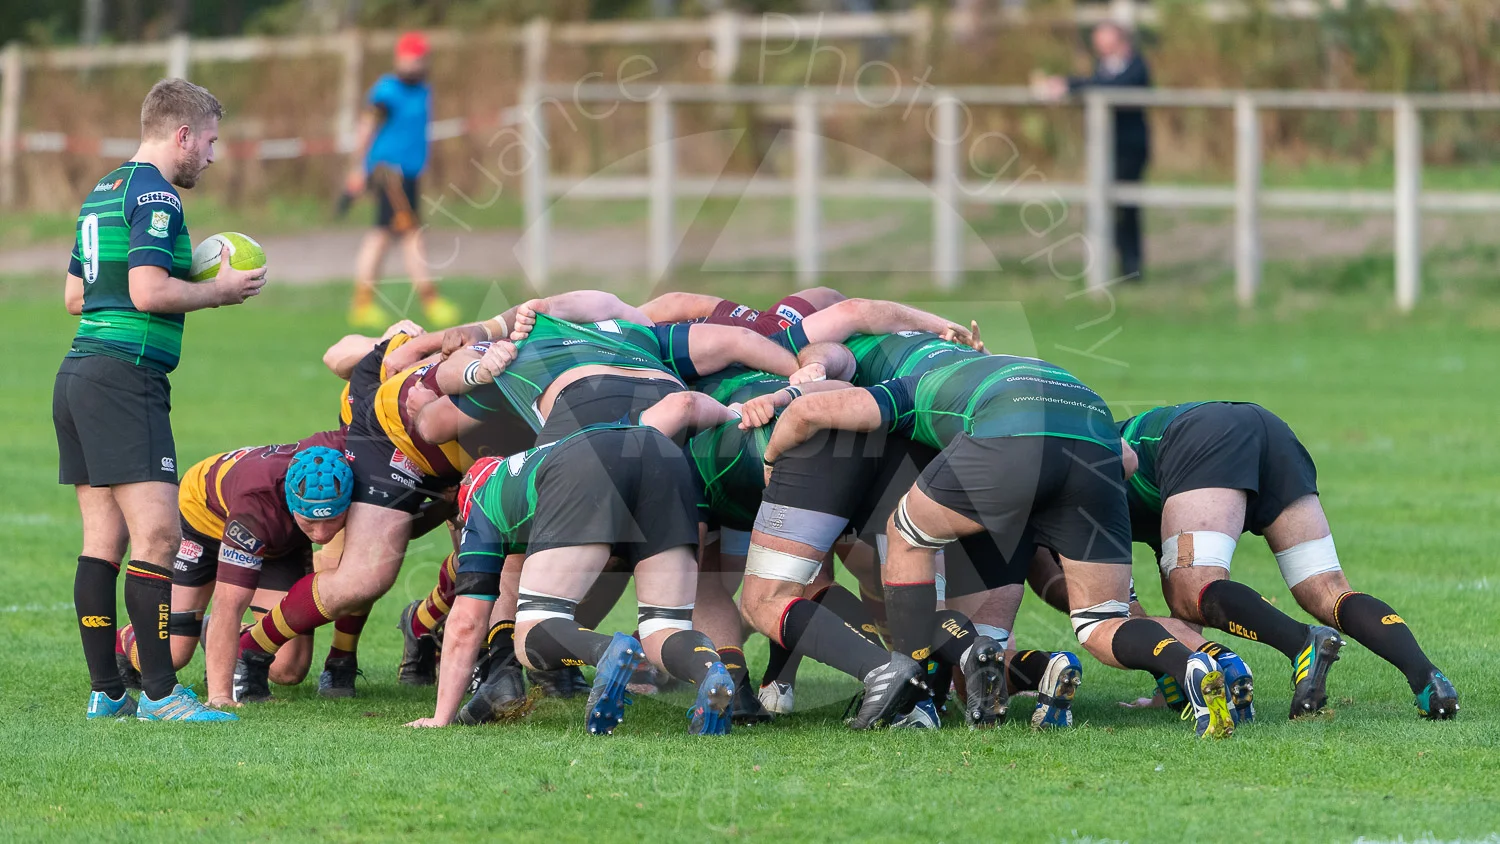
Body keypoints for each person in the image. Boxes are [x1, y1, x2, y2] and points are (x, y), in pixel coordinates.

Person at [759, 356, 1237, 737]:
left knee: (906, 535)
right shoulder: (1004, 367)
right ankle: (1190, 664)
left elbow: (806, 412)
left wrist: (771, 459)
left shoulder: (909, 386)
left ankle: (909, 687)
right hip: (1097, 455)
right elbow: (1127, 460)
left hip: (1011, 438)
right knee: (1101, 621)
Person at [54, 78, 265, 722]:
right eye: (208, 141)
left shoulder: (103, 190)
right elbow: (148, 291)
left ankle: (106, 691)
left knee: (102, 541)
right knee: (159, 534)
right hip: (125, 378)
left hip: (80, 373)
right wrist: (220, 292)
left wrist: (139, 296)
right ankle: (161, 695)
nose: (210, 154)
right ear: (181, 135)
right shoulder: (158, 196)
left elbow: (74, 296)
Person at [1119, 401, 1458, 720]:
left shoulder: (1079, 488)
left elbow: (1116, 610)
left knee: (1195, 589)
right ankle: (1429, 680)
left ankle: (1300, 643)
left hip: (1203, 438)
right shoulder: (1101, 474)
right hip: (1267, 431)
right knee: (1328, 589)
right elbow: (1180, 608)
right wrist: (1173, 683)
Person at [117, 441, 353, 705]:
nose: (321, 534)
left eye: (332, 520)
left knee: (289, 668)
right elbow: (229, 602)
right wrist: (220, 696)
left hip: (279, 541)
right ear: (290, 501)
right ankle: (125, 637)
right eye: (310, 521)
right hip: (202, 519)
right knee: (173, 653)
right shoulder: (256, 508)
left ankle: (218, 635)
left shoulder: (340, 459)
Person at [345, 31, 459, 331]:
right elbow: (367, 127)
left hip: (409, 174)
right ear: (399, 58)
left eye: (420, 57)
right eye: (411, 57)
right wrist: (358, 169)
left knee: (387, 236)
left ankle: (364, 303)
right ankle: (427, 300)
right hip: (388, 172)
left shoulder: (423, 90)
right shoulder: (387, 92)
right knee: (406, 236)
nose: (416, 63)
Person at [1034, 22, 1152, 281]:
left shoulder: (1137, 67)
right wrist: (1063, 84)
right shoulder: (1105, 68)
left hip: (1129, 150)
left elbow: (1114, 88)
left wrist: (1071, 86)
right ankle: (1107, 269)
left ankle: (1131, 269)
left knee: (1126, 208)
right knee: (1103, 207)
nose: (1102, 50)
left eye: (1107, 44)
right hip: (1105, 150)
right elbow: (1096, 82)